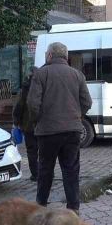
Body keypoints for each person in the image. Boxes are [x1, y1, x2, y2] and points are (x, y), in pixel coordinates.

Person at [27, 42, 92, 215]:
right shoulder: (77, 75)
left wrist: (37, 121)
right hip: (72, 131)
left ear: (49, 56)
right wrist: (76, 116)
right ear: (65, 56)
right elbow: (87, 102)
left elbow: (33, 104)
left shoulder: (41, 74)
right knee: (71, 170)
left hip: (47, 132)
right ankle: (73, 208)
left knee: (45, 170)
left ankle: (41, 205)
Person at [12, 67, 39, 181]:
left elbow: (18, 106)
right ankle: (47, 173)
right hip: (44, 125)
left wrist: (16, 122)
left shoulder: (24, 89)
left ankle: (35, 175)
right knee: (45, 151)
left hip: (28, 125)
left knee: (32, 151)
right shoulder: (45, 87)